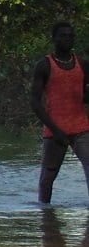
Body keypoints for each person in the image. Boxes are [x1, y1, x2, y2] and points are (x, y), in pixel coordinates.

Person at [30, 21, 89, 204]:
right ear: (53, 39)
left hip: (81, 128)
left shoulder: (83, 64)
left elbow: (85, 96)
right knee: (47, 178)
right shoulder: (44, 65)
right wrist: (55, 130)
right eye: (62, 35)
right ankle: (45, 217)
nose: (67, 39)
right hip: (55, 130)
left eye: (70, 36)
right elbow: (35, 101)